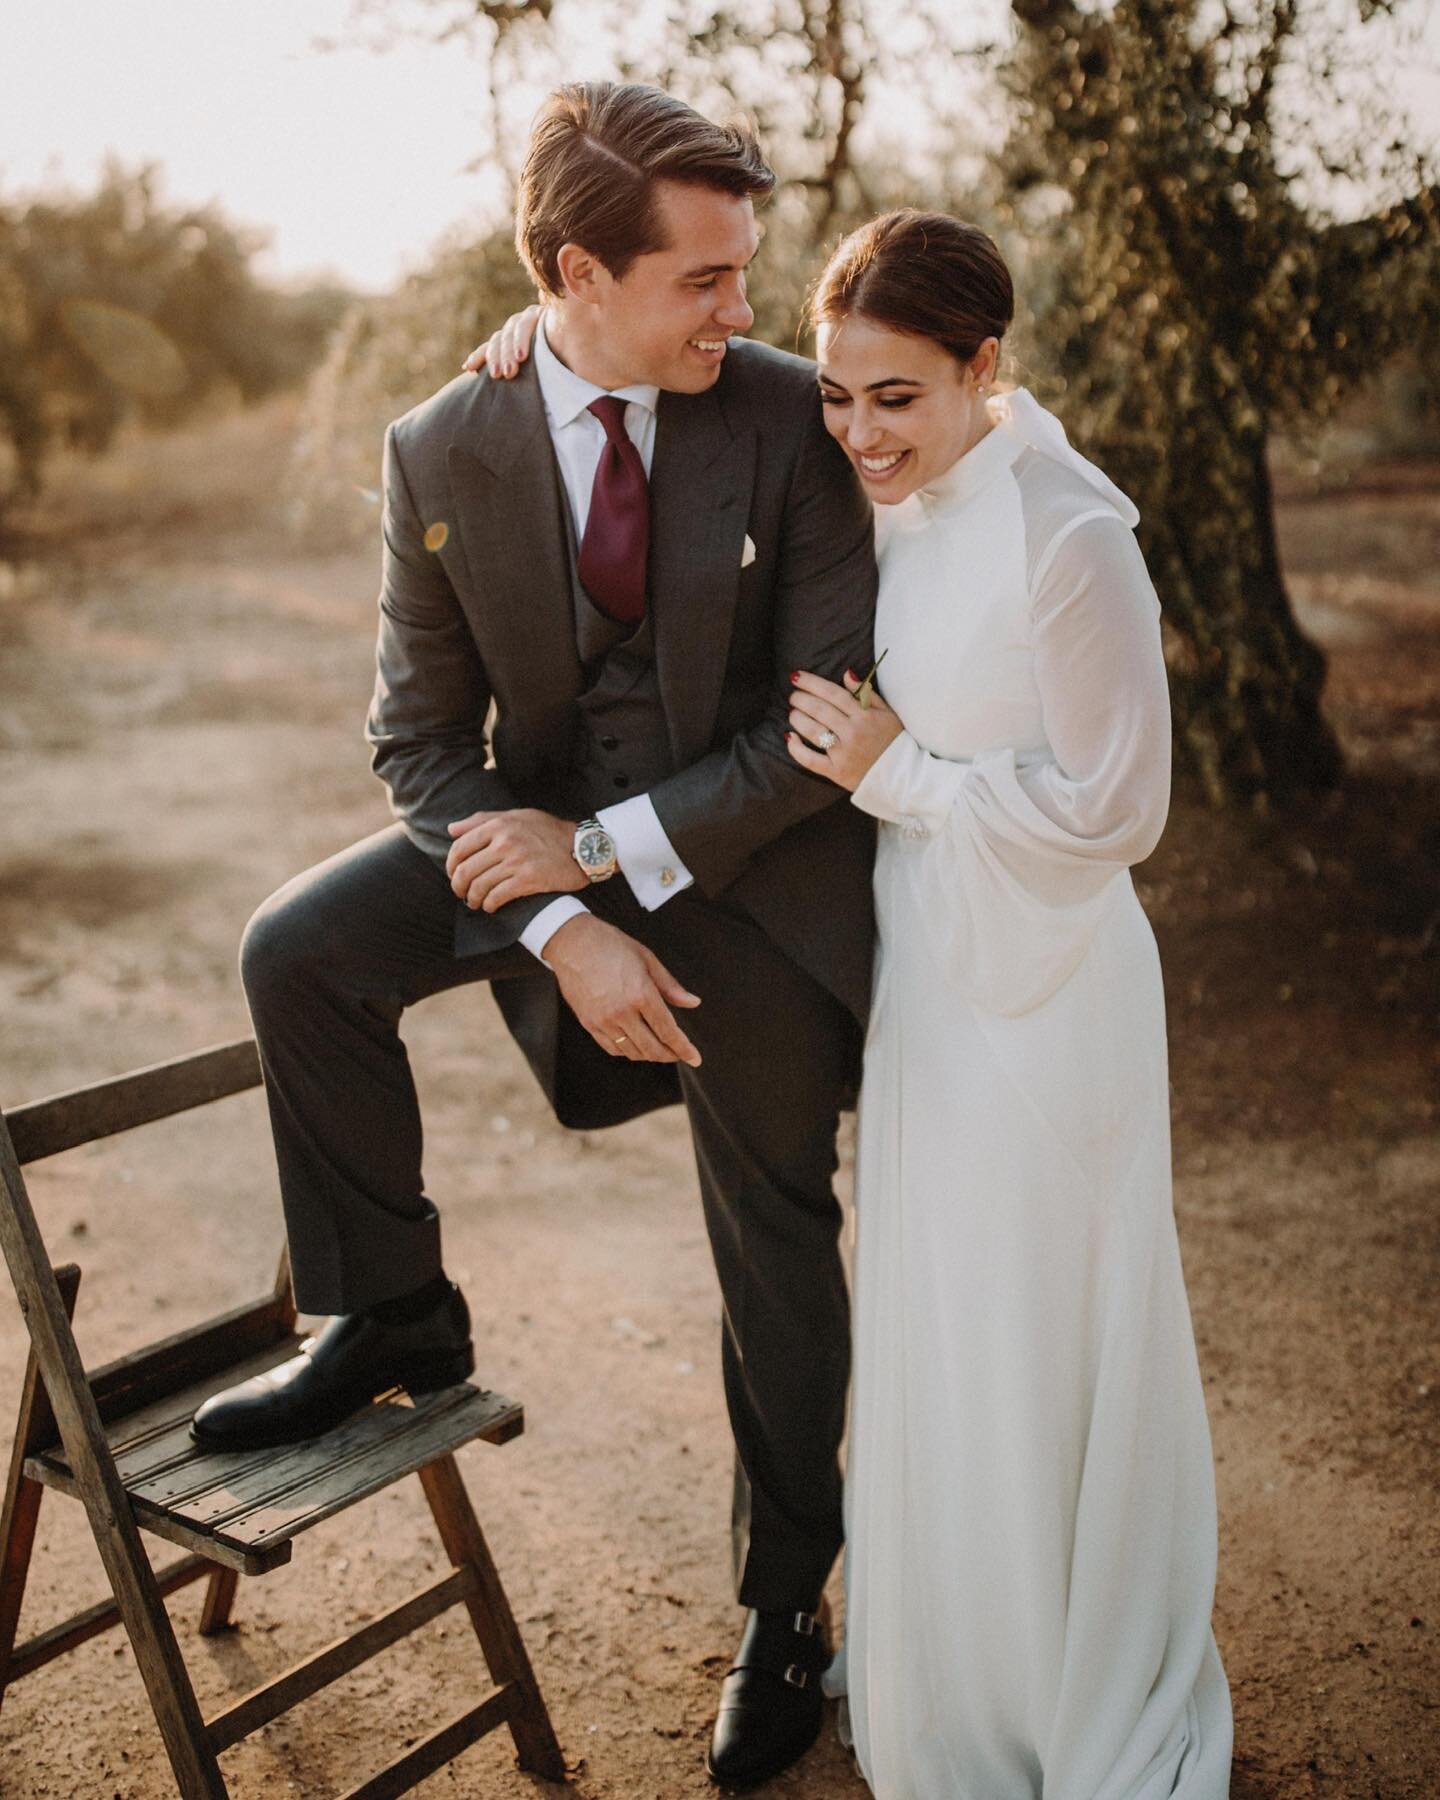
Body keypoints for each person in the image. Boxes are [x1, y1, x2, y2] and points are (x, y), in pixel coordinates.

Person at [475, 209, 1233, 1796]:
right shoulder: (879, 497)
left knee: (1037, 1323)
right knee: (945, 1319)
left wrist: (910, 780)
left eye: (897, 396)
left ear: (984, 369)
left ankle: (1067, 1675)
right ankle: (949, 1659)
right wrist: (510, 350)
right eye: (838, 393)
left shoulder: (1069, 533)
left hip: (1042, 982)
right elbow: (652, 385)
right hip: (925, 978)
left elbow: (1121, 815)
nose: (859, 431)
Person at [190, 82, 880, 1790]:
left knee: (772, 1242)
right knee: (303, 950)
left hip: (757, 870)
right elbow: (418, 741)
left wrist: (605, 851)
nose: (744, 309)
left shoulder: (789, 420)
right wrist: (564, 919)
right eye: (702, 280)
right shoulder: (443, 442)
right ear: (577, 273)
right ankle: (391, 1313)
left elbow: (816, 722)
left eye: (744, 273)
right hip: (540, 846)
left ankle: (786, 1607)